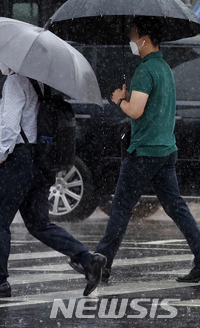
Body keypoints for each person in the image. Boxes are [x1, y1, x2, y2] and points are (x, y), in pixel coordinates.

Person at [70, 17, 200, 283]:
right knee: (177, 208)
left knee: (120, 207)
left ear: (145, 38)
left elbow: (136, 110)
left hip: (144, 152)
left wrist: (120, 100)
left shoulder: (145, 71)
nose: (131, 40)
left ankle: (101, 265)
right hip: (165, 149)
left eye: (133, 35)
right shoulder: (164, 68)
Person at [0, 61, 106, 299]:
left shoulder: (14, 82)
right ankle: (87, 259)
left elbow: (11, 129)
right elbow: (31, 121)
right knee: (39, 224)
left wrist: (0, 156)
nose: (0, 62)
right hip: (41, 160)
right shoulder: (43, 84)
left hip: (18, 160)